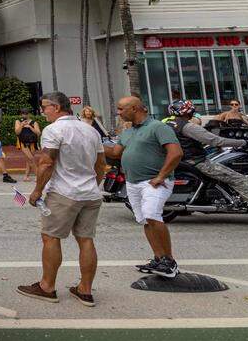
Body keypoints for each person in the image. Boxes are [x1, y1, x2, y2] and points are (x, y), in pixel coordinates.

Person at [16, 92, 106, 305]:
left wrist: (37, 190)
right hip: (90, 193)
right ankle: (85, 289)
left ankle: (47, 286)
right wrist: (94, 184)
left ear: (56, 107)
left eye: (45, 107)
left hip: (64, 192)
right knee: (86, 240)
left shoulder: (54, 129)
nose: (43, 111)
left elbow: (46, 162)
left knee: (50, 237)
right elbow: (101, 164)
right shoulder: (89, 129)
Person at [165, 100, 248, 231]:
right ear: (188, 112)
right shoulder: (188, 126)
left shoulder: (167, 123)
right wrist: (245, 142)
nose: (192, 113)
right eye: (191, 111)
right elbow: (215, 140)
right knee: (242, 181)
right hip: (197, 162)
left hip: (182, 160)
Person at [105, 96, 183, 278]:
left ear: (134, 108)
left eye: (121, 109)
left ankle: (169, 262)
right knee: (145, 221)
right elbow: (116, 153)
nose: (118, 112)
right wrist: (92, 143)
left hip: (153, 182)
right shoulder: (128, 131)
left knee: (151, 215)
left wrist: (161, 176)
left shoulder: (158, 127)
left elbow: (176, 152)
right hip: (133, 183)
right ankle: (158, 258)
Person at [14, 109, 41, 182]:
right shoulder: (18, 121)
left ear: (29, 114)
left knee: (29, 160)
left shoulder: (34, 122)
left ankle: (26, 176)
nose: (24, 115)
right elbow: (17, 132)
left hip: (32, 143)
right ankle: (38, 175)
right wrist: (22, 125)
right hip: (23, 143)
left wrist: (30, 127)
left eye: (26, 113)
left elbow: (38, 133)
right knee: (31, 159)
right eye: (23, 113)